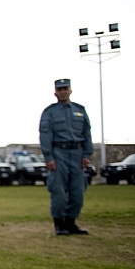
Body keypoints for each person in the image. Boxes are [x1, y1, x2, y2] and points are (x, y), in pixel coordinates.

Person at [39, 78, 93, 236]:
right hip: (58, 153)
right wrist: (48, 157)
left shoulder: (80, 110)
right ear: (55, 92)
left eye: (65, 89)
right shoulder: (50, 112)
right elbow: (45, 135)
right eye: (59, 89)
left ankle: (71, 223)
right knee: (59, 191)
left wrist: (87, 154)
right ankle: (59, 224)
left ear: (70, 90)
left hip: (77, 154)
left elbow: (87, 134)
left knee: (78, 191)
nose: (63, 92)